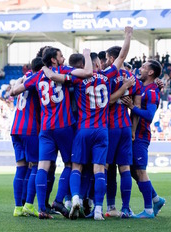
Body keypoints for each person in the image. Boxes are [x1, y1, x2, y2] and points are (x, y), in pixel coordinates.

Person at [43, 26, 135, 221]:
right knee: (99, 169)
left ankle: (75, 198)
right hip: (103, 130)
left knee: (76, 166)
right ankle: (99, 210)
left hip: (83, 129)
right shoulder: (107, 75)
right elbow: (122, 56)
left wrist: (44, 69)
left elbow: (55, 77)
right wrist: (128, 36)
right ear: (96, 63)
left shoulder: (77, 79)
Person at [11, 47, 93, 219]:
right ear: (54, 60)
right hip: (64, 127)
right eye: (61, 56)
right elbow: (87, 72)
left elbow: (14, 92)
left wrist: (20, 80)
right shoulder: (62, 70)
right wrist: (86, 53)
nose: (63, 58)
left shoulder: (36, 76)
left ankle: (41, 209)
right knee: (70, 165)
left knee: (42, 166)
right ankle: (57, 200)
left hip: (46, 129)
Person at [122, 59, 166, 218]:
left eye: (143, 67)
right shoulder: (144, 87)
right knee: (133, 170)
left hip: (141, 135)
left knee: (140, 170)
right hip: (134, 134)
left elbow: (149, 115)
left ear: (151, 72)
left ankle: (148, 210)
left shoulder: (152, 91)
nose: (139, 69)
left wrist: (132, 107)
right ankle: (155, 199)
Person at [104, 45, 142, 219]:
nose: (105, 61)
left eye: (106, 58)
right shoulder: (132, 77)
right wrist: (133, 130)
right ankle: (126, 208)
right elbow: (137, 107)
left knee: (109, 167)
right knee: (125, 168)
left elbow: (107, 101)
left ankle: (111, 206)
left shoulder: (108, 76)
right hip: (126, 126)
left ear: (112, 59)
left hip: (110, 127)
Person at [11, 57, 44, 218]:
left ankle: (18, 207)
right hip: (30, 128)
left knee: (21, 167)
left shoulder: (24, 78)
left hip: (16, 127)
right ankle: (29, 204)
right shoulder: (38, 79)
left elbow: (13, 90)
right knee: (36, 166)